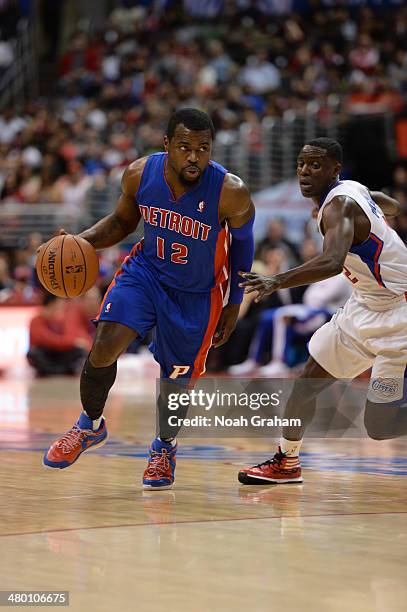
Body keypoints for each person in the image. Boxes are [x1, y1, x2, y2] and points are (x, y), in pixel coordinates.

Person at [42, 108, 255, 489]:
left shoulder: (230, 191)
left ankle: (164, 447)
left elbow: (243, 249)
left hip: (197, 293)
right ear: (167, 145)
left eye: (203, 148)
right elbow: (122, 223)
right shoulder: (140, 173)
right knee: (104, 344)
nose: (194, 157)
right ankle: (89, 425)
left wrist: (233, 303)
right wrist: (81, 242)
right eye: (186, 147)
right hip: (146, 272)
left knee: (175, 381)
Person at [238, 137, 407, 484]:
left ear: (334, 170)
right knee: (305, 384)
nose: (304, 171)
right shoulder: (351, 191)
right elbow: (389, 203)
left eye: (315, 165)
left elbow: (331, 262)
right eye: (301, 163)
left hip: (399, 316)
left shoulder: (338, 206)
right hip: (363, 308)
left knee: (378, 426)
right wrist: (377, 207)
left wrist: (275, 281)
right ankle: (287, 462)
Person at [27, 293, 91, 376]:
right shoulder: (36, 321)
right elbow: (48, 340)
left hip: (60, 353)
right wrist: (72, 342)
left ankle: (56, 370)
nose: (62, 308)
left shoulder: (60, 319)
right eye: (59, 306)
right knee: (33, 353)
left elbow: (74, 334)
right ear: (51, 305)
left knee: (79, 351)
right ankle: (58, 370)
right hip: (46, 354)